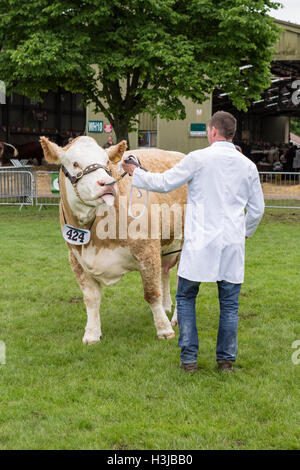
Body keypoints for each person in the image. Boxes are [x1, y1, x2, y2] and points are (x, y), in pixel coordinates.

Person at [122, 111, 264, 373]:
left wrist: (136, 172)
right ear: (231, 133)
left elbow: (164, 183)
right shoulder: (248, 166)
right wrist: (244, 232)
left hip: (200, 242)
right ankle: (225, 361)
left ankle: (189, 360)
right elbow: (257, 210)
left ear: (212, 131)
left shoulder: (198, 159)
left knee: (186, 298)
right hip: (231, 244)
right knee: (229, 304)